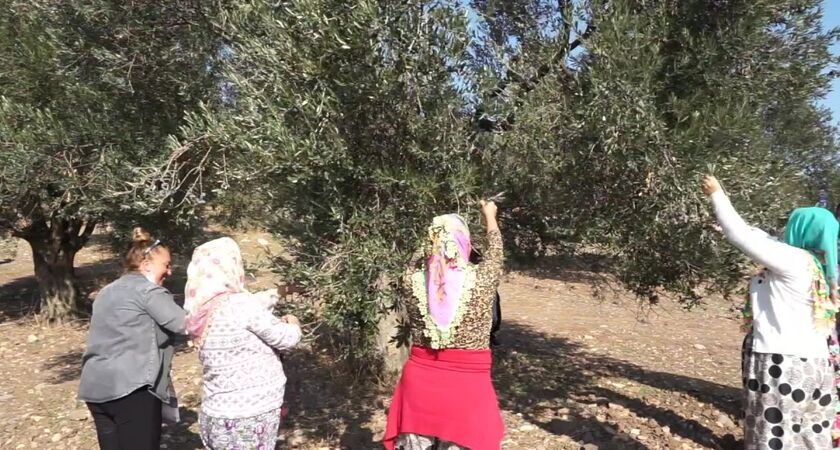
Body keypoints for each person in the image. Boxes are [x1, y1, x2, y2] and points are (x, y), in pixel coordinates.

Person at [703, 175, 839, 450]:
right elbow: (762, 238)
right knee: (812, 439)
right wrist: (723, 224)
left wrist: (717, 195)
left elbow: (741, 236)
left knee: (772, 438)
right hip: (816, 367)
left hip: (781, 364)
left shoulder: (793, 260)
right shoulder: (820, 267)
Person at [384, 200, 505, 450]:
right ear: (465, 244)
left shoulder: (412, 281)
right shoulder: (482, 280)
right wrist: (490, 216)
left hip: (419, 385)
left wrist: (432, 238)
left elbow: (414, 261)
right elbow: (495, 252)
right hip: (467, 389)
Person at [184, 237, 302, 450]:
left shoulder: (199, 310)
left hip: (215, 414)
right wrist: (293, 323)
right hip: (248, 417)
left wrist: (280, 292)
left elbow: (253, 305)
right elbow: (286, 338)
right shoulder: (239, 304)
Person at [78, 228, 185, 450]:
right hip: (132, 389)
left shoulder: (106, 291)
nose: (170, 271)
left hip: (96, 388)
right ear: (146, 265)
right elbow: (186, 324)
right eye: (166, 265)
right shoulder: (149, 292)